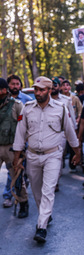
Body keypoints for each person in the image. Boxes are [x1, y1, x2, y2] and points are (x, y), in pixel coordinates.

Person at [13, 76, 81, 243]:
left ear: (50, 91)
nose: (38, 93)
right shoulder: (27, 108)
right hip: (32, 155)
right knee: (36, 191)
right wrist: (16, 159)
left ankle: (41, 226)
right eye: (36, 89)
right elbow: (20, 134)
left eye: (42, 90)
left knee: (48, 190)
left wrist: (77, 152)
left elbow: (70, 131)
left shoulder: (61, 108)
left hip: (53, 155)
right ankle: (46, 214)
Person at [2, 75, 32, 209]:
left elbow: (26, 126)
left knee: (17, 178)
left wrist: (22, 147)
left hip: (12, 148)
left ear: (3, 90)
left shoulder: (17, 105)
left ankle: (23, 203)